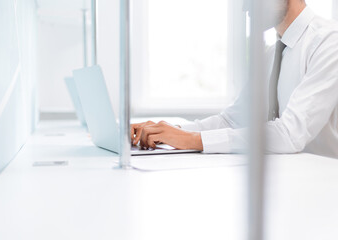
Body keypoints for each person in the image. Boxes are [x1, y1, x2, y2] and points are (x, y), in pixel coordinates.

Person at [131, 0, 338, 159]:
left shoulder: (329, 42)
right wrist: (166, 130)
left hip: (324, 188)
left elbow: (291, 133)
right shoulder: (271, 55)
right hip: (292, 180)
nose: (245, 8)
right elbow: (231, 120)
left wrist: (193, 140)